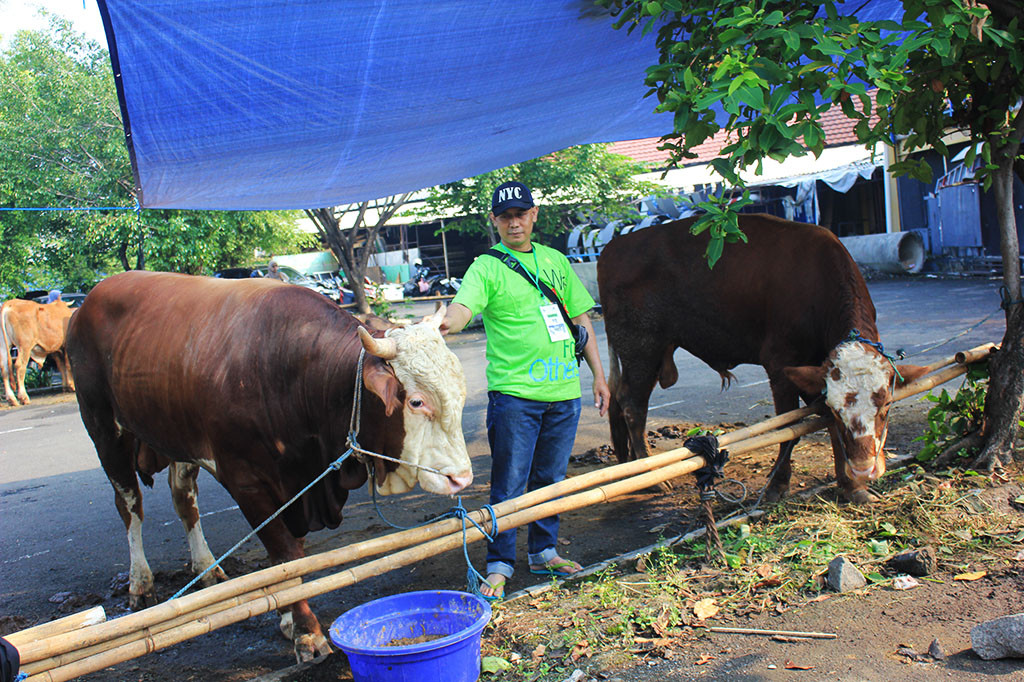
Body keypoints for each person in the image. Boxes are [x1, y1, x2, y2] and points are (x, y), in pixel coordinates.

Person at [441, 181, 610, 600]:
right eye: (505, 216)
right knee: (509, 484)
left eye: (521, 213)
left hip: (564, 392)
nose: (514, 222)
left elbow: (581, 319)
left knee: (550, 479)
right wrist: (439, 325)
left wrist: (599, 377)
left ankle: (544, 552)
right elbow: (462, 311)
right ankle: (499, 566)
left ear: (534, 214)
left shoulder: (555, 260)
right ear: (495, 221)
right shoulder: (486, 267)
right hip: (515, 396)